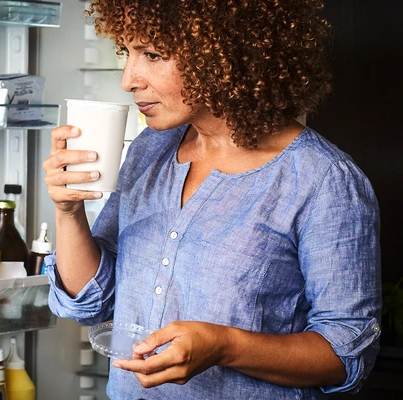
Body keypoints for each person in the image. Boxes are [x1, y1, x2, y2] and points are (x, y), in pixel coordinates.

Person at [43, 0, 382, 398]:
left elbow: (347, 356)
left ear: (224, 53)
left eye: (152, 54)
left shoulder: (323, 181)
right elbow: (93, 304)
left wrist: (224, 345)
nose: (129, 79)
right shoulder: (149, 150)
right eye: (127, 52)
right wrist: (68, 212)